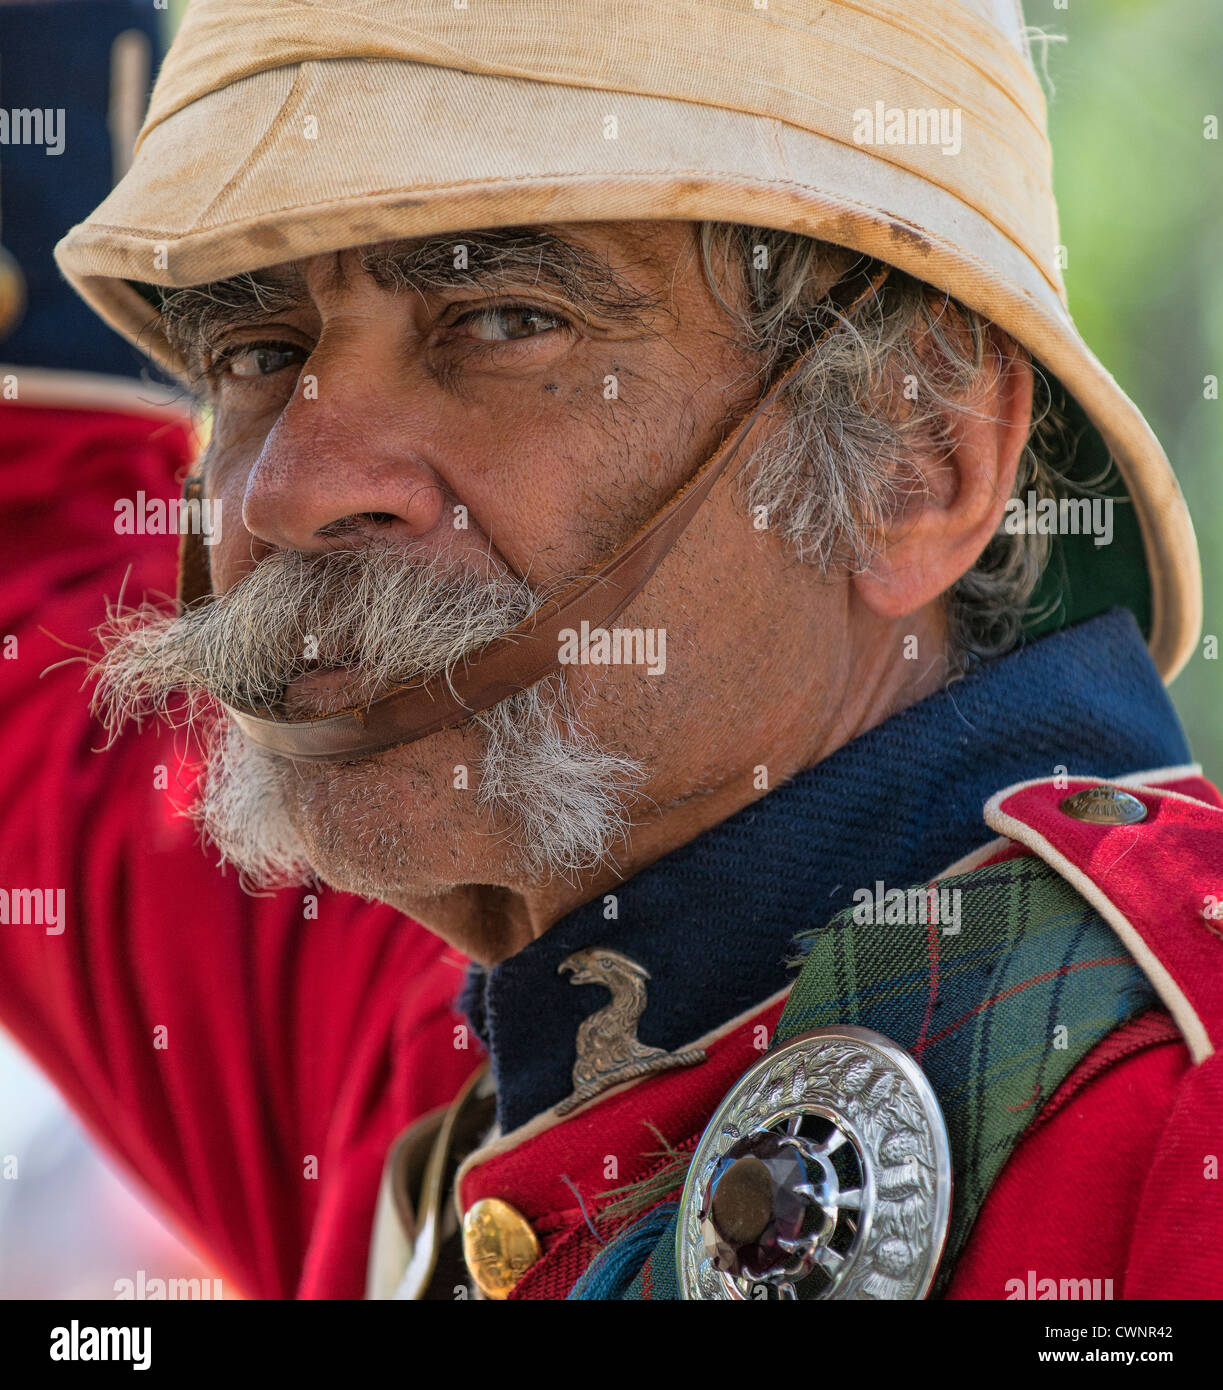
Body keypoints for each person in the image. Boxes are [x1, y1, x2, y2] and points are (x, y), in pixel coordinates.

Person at [2, 0, 1218, 1300]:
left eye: (504, 319)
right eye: (254, 350)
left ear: (920, 461)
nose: (295, 487)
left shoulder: (1177, 1116)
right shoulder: (420, 1018)